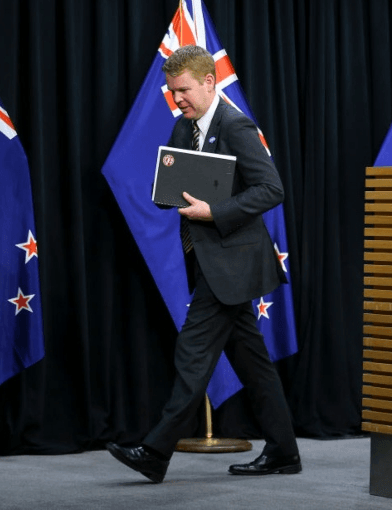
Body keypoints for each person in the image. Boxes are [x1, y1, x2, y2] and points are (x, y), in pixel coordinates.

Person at [105, 45, 300, 483]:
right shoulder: (183, 126)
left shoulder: (235, 125)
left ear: (209, 82)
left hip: (233, 265)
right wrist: (166, 192)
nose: (178, 99)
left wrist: (215, 212)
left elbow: (272, 190)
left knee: (193, 355)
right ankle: (285, 451)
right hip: (210, 263)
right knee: (253, 363)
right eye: (173, 92)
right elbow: (176, 186)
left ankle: (155, 451)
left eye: (184, 90)